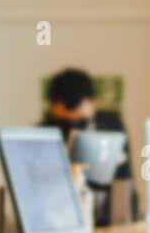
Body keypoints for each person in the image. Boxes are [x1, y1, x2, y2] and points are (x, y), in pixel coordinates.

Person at [39, 67, 137, 223]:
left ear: (94, 103)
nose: (73, 129)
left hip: (109, 219)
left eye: (80, 122)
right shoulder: (43, 133)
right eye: (66, 124)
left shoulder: (112, 126)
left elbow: (125, 178)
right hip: (60, 220)